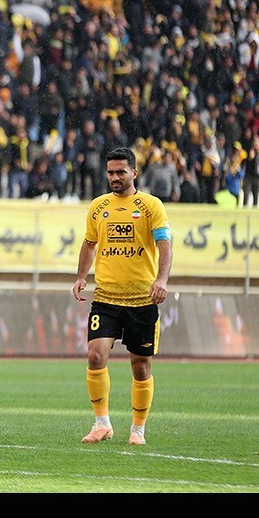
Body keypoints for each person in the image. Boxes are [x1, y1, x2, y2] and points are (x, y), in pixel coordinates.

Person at [72, 147, 173, 446]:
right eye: (111, 172)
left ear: (134, 173)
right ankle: (102, 423)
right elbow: (89, 243)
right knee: (95, 355)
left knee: (140, 365)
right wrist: (81, 276)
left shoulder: (151, 206)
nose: (115, 177)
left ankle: (137, 429)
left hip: (142, 299)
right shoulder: (98, 206)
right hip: (106, 297)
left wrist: (162, 280)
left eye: (121, 172)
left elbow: (165, 245)